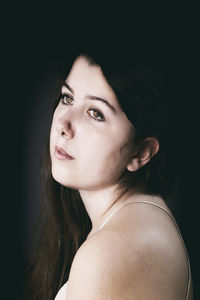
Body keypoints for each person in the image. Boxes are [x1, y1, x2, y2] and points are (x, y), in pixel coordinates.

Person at [25, 48, 193, 299]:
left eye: (95, 113)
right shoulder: (141, 218)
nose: (63, 124)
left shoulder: (110, 253)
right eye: (67, 98)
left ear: (141, 153)